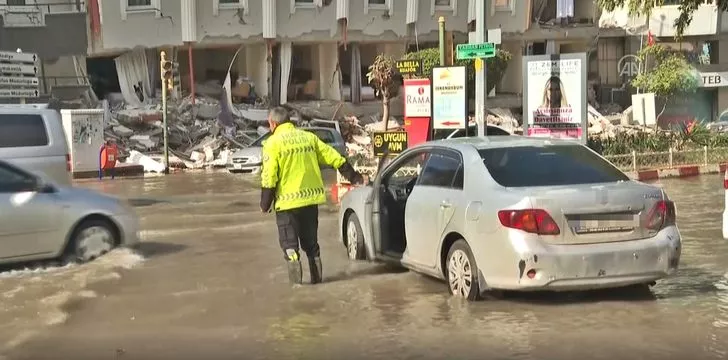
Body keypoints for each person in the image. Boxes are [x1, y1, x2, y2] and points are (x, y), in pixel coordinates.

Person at [260, 107, 366, 286]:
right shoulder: (309, 138)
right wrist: (355, 178)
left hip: (287, 205)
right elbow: (334, 157)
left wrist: (265, 203)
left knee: (291, 249)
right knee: (312, 247)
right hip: (310, 202)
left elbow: (269, 176)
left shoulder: (273, 143)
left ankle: (298, 290)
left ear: (273, 124)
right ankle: (318, 284)